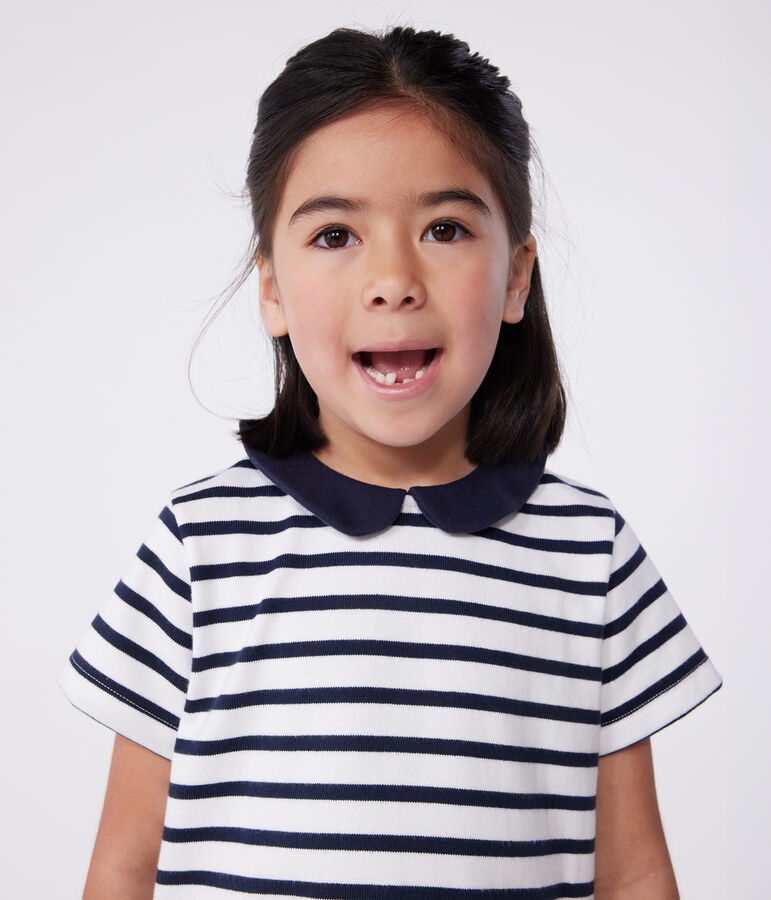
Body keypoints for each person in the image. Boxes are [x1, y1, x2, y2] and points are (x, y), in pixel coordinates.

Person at [59, 24, 723, 900]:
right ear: (271, 287)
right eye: (335, 236)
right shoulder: (200, 545)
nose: (392, 279)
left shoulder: (587, 552)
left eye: (444, 227)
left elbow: (634, 875)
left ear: (516, 276)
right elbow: (121, 866)